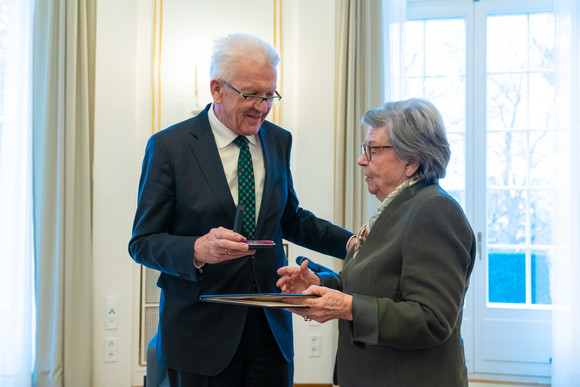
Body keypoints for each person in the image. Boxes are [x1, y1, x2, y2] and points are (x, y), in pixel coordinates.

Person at [128, 33, 353, 387]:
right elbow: (142, 242)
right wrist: (196, 250)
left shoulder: (279, 140)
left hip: (270, 330)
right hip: (199, 334)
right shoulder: (169, 147)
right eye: (251, 94)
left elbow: (290, 218)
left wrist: (354, 245)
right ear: (217, 89)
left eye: (270, 95)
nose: (262, 107)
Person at [277, 98, 476, 387]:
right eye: (364, 149)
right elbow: (377, 286)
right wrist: (320, 285)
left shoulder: (435, 210)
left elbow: (431, 319)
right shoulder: (399, 208)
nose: (361, 159)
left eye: (373, 150)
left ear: (412, 161)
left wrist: (346, 307)